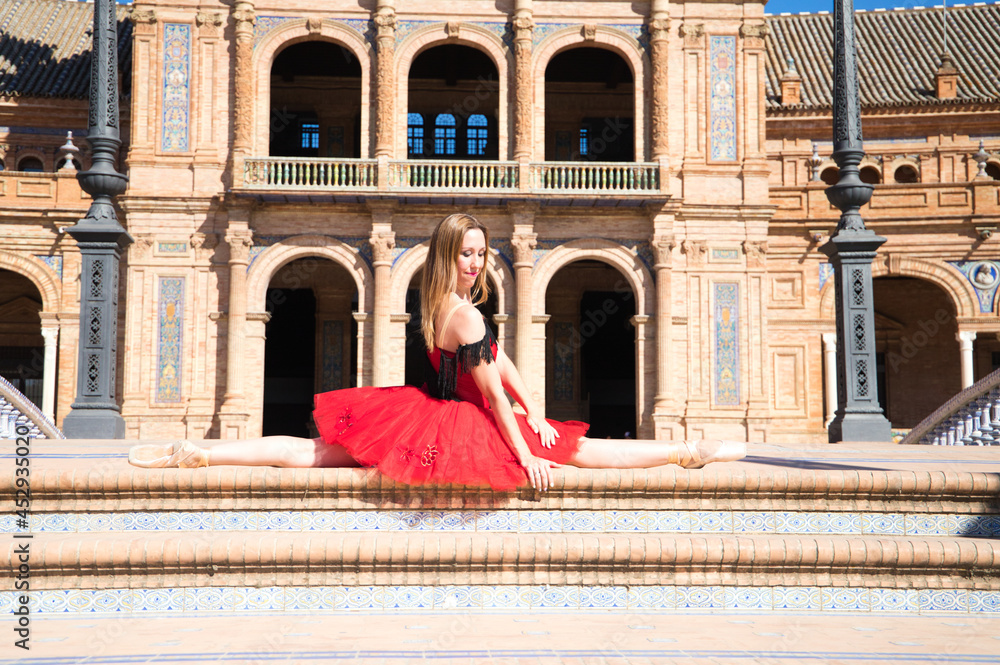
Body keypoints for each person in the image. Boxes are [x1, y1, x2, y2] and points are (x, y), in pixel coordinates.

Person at [129, 213, 746, 490]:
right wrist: (523, 444)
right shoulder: (465, 312)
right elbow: (490, 390)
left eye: (481, 252)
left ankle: (200, 454)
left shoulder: (445, 306)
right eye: (467, 252)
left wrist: (534, 407)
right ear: (448, 254)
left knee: (313, 453)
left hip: (425, 411)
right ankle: (692, 452)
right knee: (590, 454)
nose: (476, 261)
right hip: (464, 422)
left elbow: (500, 366)